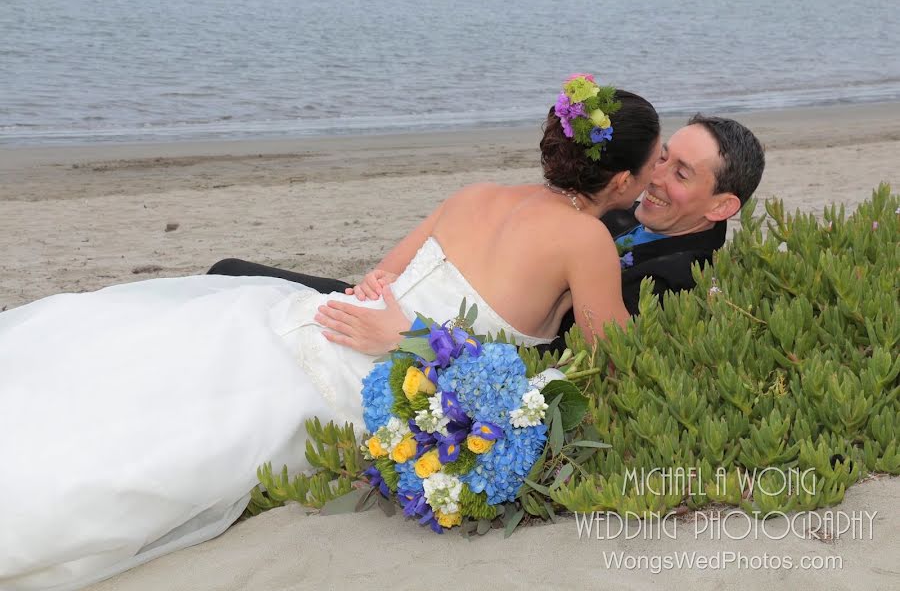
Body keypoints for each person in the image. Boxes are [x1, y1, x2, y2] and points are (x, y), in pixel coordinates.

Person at [0, 78, 660, 590]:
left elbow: (380, 276)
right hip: (367, 378)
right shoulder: (587, 240)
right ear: (623, 179)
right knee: (181, 446)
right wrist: (417, 341)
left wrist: (390, 317)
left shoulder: (476, 194)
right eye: (656, 163)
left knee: (160, 379)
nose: (657, 175)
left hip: (321, 324)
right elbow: (613, 358)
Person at [210, 115, 765, 354]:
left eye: (681, 174)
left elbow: (567, 365)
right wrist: (383, 281)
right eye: (662, 159)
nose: (656, 180)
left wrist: (411, 337)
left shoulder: (682, 279)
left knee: (254, 316)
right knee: (230, 276)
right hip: (418, 303)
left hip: (446, 347)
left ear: (723, 206)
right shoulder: (614, 211)